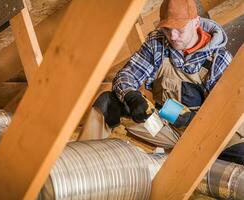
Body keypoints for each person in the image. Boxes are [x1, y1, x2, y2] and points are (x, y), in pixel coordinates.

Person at [79, 0, 244, 164]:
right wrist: (132, 96)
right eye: (167, 29)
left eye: (179, 30)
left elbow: (225, 114)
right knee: (108, 103)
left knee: (240, 154)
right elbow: (127, 75)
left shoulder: (219, 59)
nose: (172, 36)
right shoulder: (157, 43)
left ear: (196, 23)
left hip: (208, 134)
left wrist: (191, 120)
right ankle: (80, 164)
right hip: (165, 126)